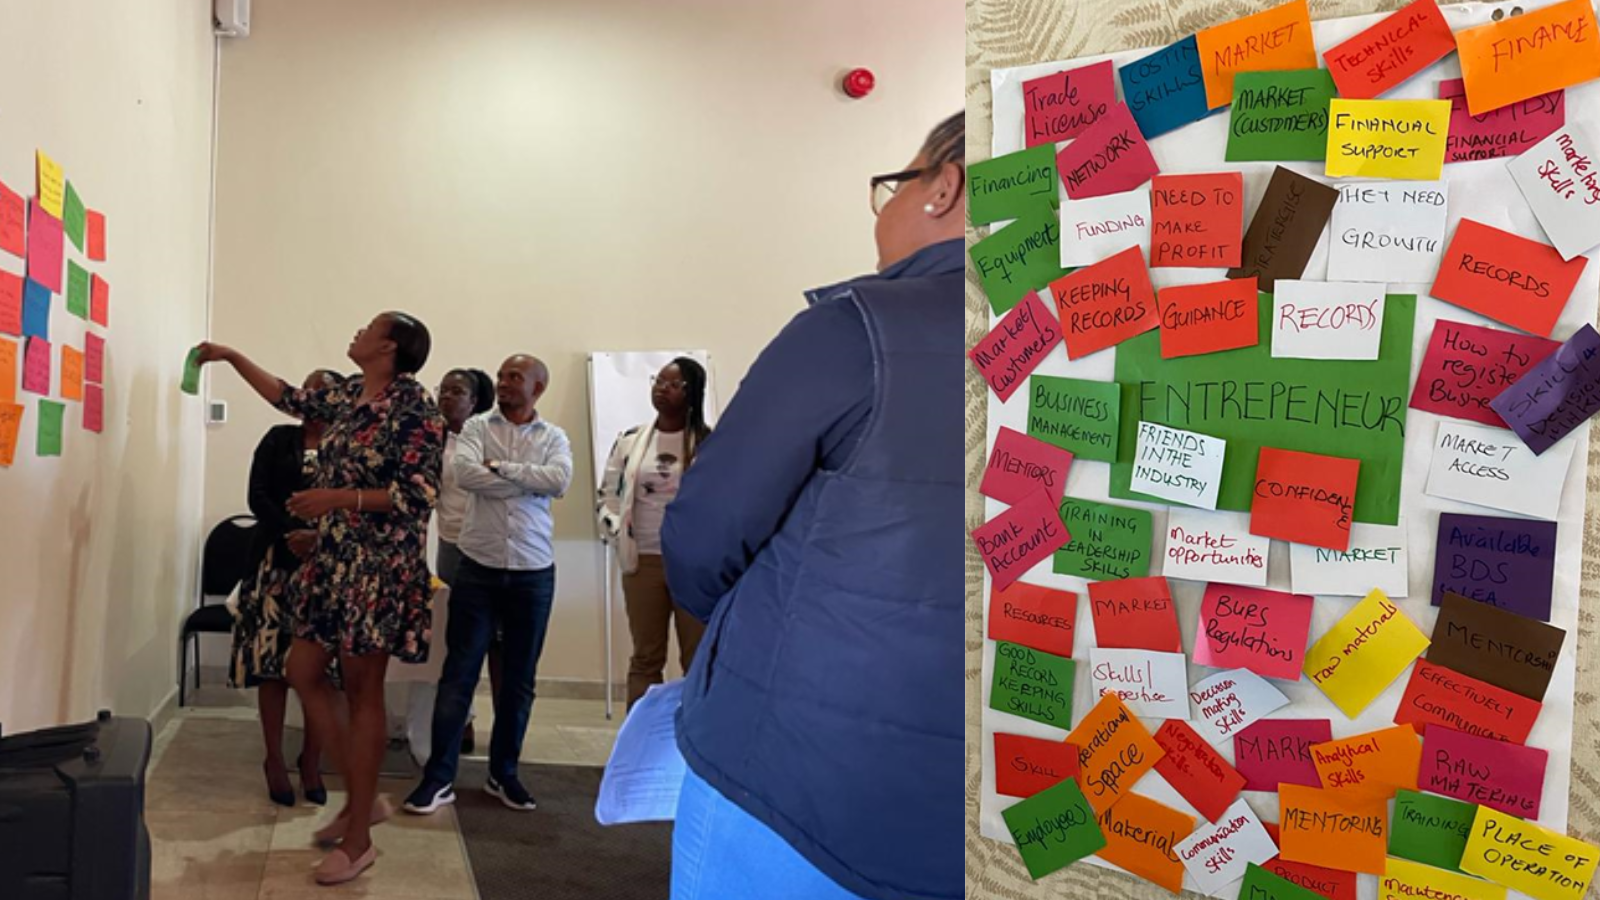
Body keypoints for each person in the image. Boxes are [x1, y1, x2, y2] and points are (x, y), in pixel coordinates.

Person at [661, 113, 963, 900]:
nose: (883, 210)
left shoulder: (855, 330)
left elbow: (702, 536)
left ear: (944, 186)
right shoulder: (1111, 345)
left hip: (801, 781)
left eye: (893, 184)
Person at [193, 311, 446, 886]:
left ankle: (358, 841)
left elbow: (417, 495)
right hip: (333, 562)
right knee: (301, 667)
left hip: (378, 568)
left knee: (363, 692)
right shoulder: (351, 395)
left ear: (390, 346)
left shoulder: (416, 410)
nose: (357, 330)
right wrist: (232, 358)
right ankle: (362, 800)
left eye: (370, 326)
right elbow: (288, 398)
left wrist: (337, 497)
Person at [404, 354, 572, 816]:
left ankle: (504, 774)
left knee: (518, 681)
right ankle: (439, 778)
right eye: (500, 376)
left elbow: (559, 481)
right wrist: (526, 481)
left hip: (533, 571)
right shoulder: (477, 428)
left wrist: (503, 470)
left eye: (515, 378)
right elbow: (465, 474)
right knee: (458, 675)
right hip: (477, 568)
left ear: (538, 387)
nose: (504, 383)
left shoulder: (554, 436)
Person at [232, 368, 345, 808]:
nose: (312, 396)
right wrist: (293, 532)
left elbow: (358, 501)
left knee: (320, 673)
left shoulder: (348, 445)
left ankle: (311, 760)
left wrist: (319, 537)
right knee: (272, 665)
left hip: (328, 568)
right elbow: (257, 495)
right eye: (308, 388)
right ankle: (274, 759)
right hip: (274, 562)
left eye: (323, 391)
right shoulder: (278, 438)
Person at [596, 357, 713, 709]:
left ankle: (692, 744)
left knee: (697, 658)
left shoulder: (710, 443)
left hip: (693, 564)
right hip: (643, 560)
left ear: (691, 392)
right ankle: (640, 745)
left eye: (672, 384)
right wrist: (618, 532)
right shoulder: (631, 441)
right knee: (646, 656)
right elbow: (608, 496)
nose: (661, 389)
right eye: (658, 381)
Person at [405, 367, 496, 766]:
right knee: (453, 636)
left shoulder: (487, 437)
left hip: (486, 547)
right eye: (443, 389)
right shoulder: (432, 438)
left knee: (481, 636)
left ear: (474, 401)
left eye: (456, 391)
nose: (445, 397)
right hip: (449, 545)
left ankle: (468, 716)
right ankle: (453, 716)